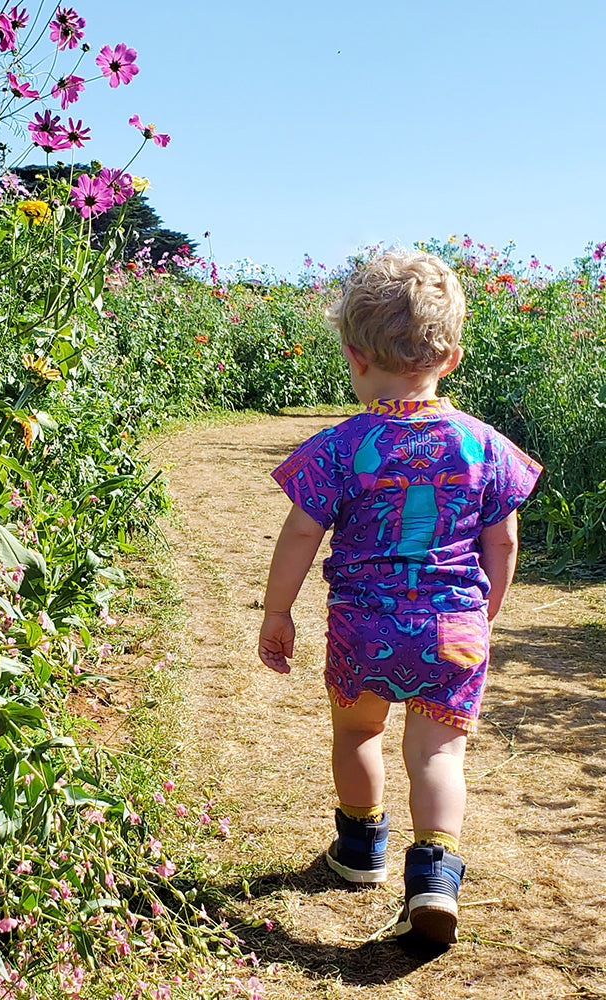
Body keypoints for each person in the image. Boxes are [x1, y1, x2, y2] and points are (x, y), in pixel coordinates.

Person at [258, 249, 541, 945]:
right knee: (440, 755)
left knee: (359, 732)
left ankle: (359, 850)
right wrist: (487, 609)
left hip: (364, 631)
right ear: (453, 357)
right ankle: (436, 874)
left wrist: (276, 611)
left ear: (355, 357)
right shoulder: (484, 446)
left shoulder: (339, 446)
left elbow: (299, 535)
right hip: (455, 627)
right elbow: (501, 543)